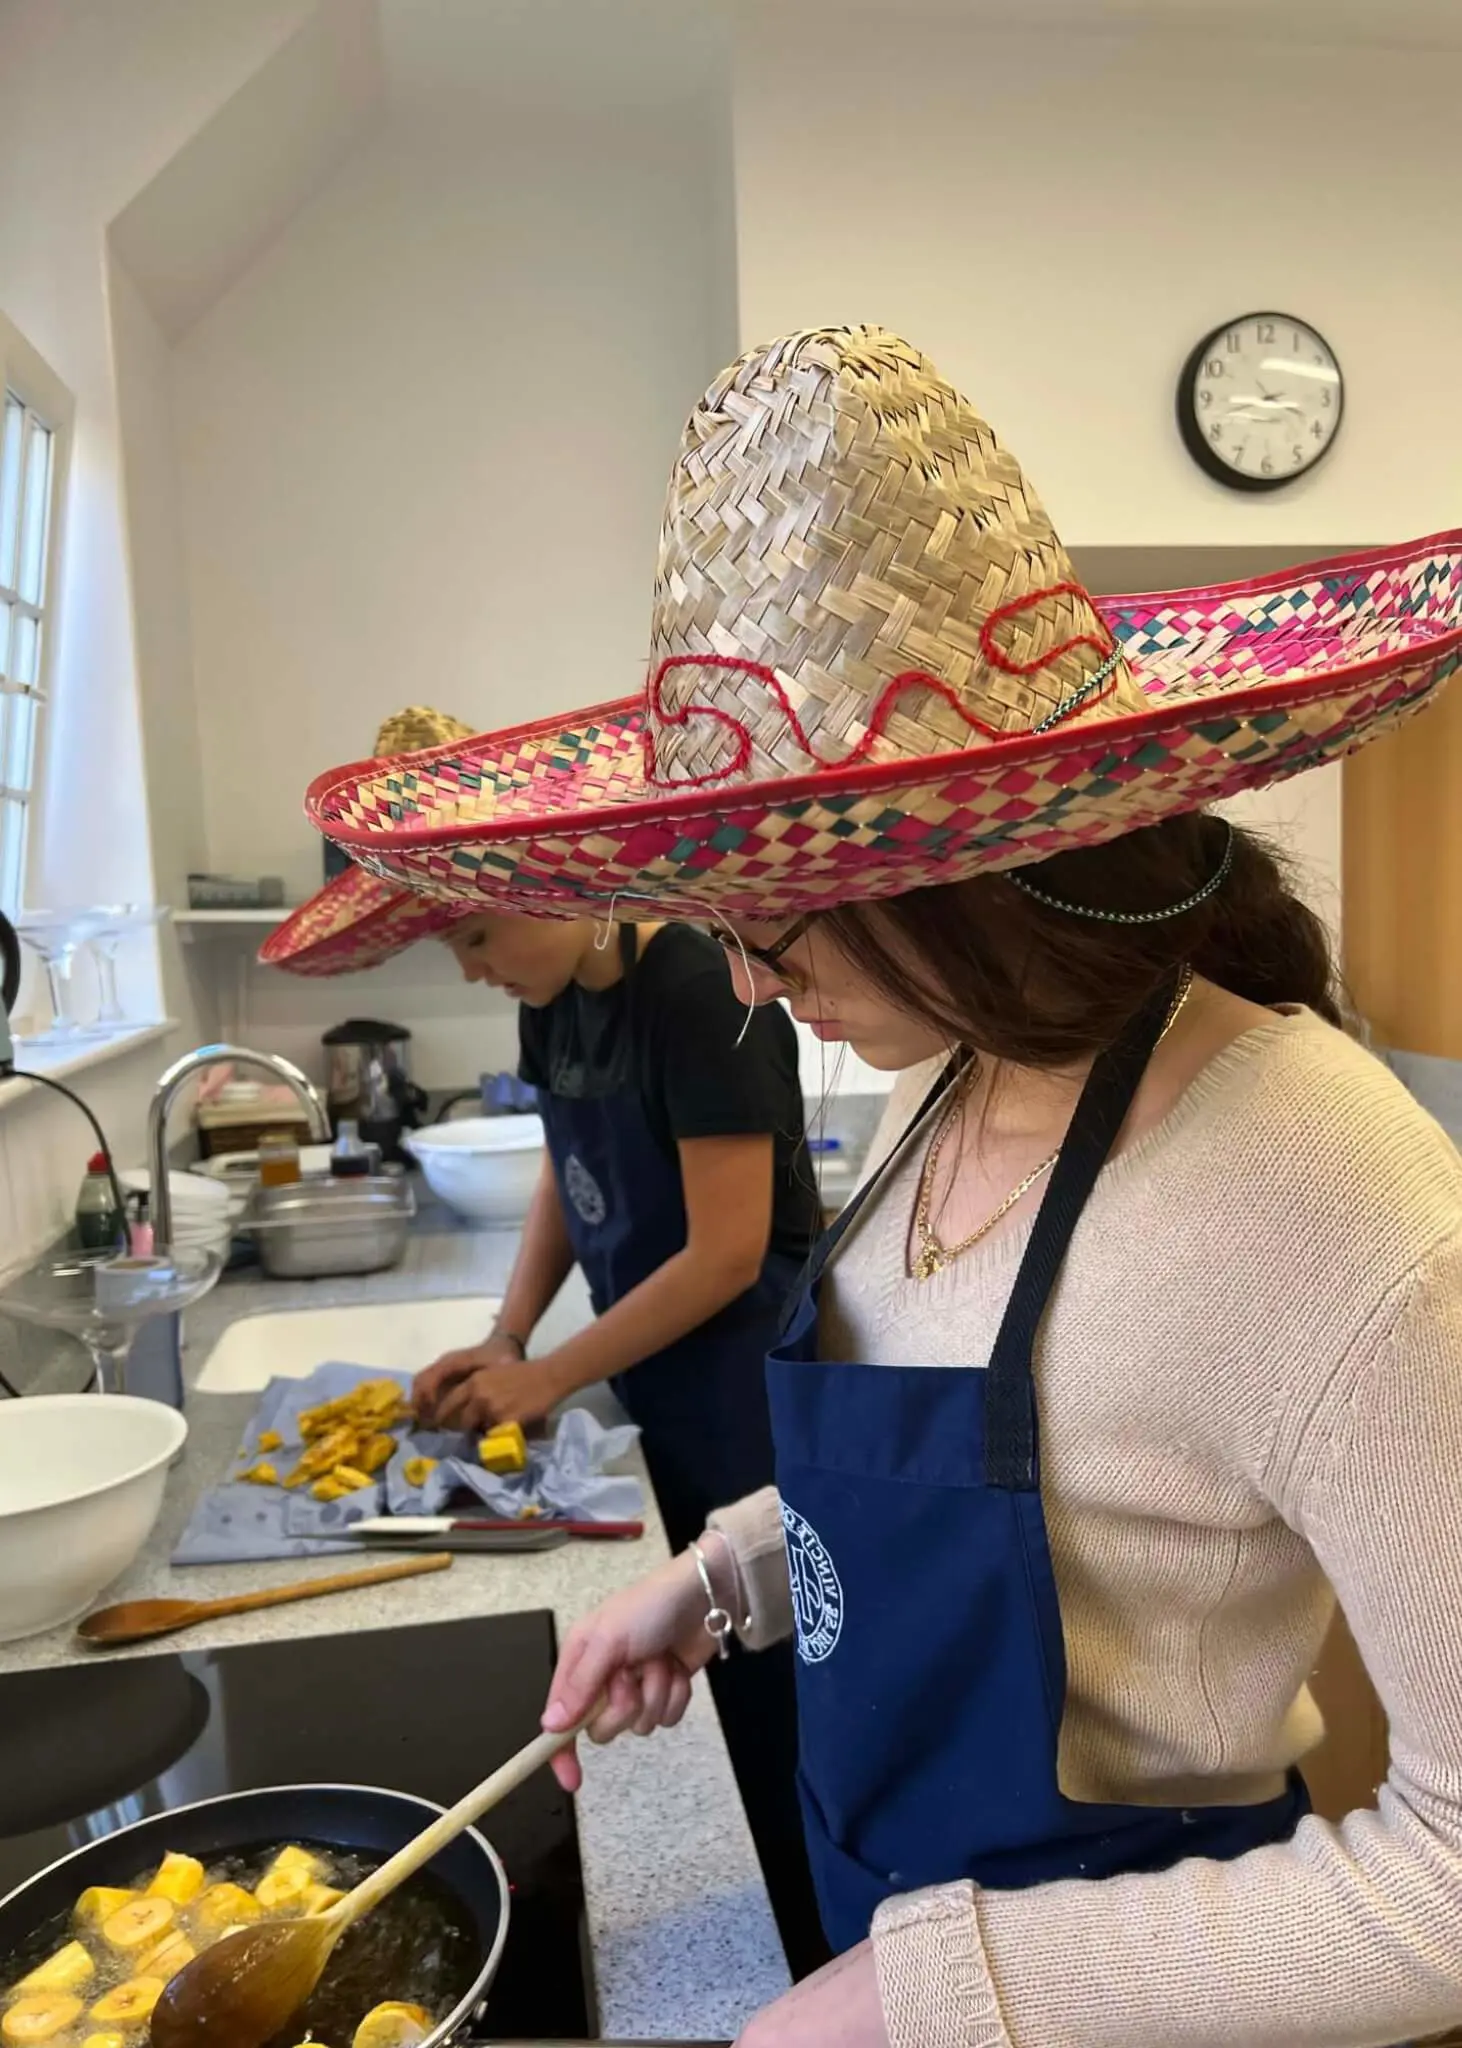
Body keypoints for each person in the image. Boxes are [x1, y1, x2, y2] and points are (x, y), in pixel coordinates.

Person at [306, 328, 1462, 2048]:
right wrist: (717, 1580)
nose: (749, 984)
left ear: (969, 869)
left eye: (772, 918)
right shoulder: (944, 1081)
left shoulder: (1331, 1189)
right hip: (887, 1930)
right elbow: (1041, 1485)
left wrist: (930, 1993)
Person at [262, 776, 829, 1981]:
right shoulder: (556, 998)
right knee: (698, 1665)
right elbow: (561, 1174)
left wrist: (556, 1372)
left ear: (558, 888)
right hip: (653, 1379)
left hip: (748, 1391)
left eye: (474, 933)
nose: (467, 966)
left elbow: (727, 1252)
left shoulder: (697, 986)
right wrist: (509, 1335)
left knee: (773, 1688)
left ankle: (808, 1943)